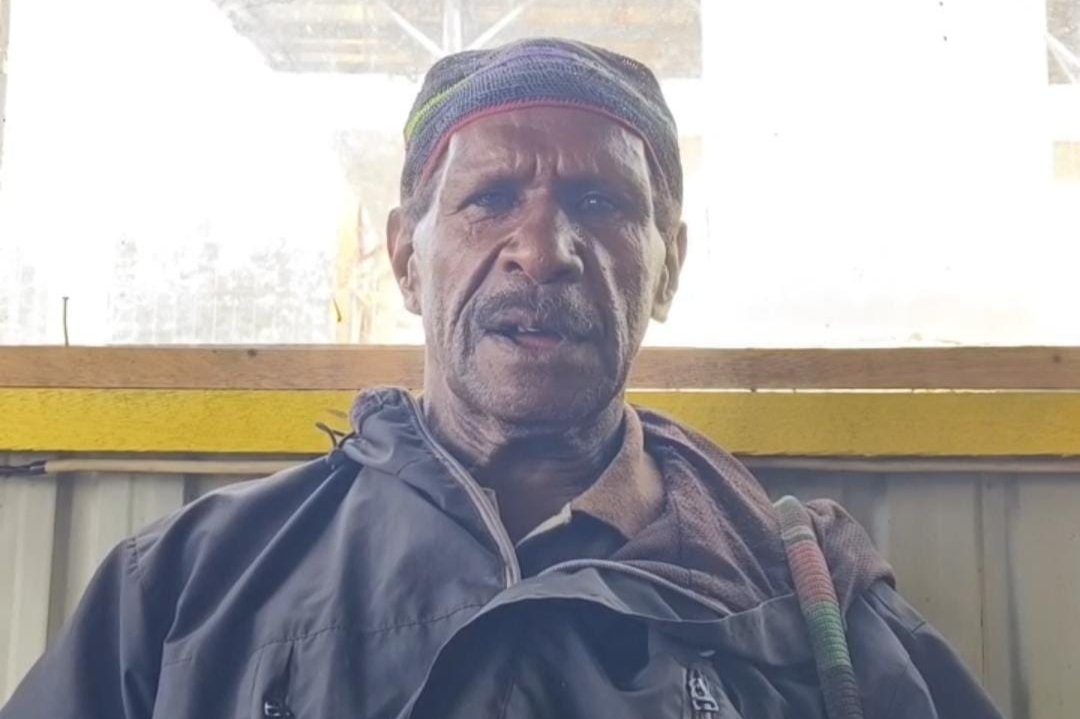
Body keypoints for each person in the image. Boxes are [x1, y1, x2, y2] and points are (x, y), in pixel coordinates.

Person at [1, 39, 1003, 719]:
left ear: (668, 268)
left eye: (600, 201)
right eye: (490, 199)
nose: (544, 248)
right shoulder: (186, 587)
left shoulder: (807, 596)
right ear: (405, 257)